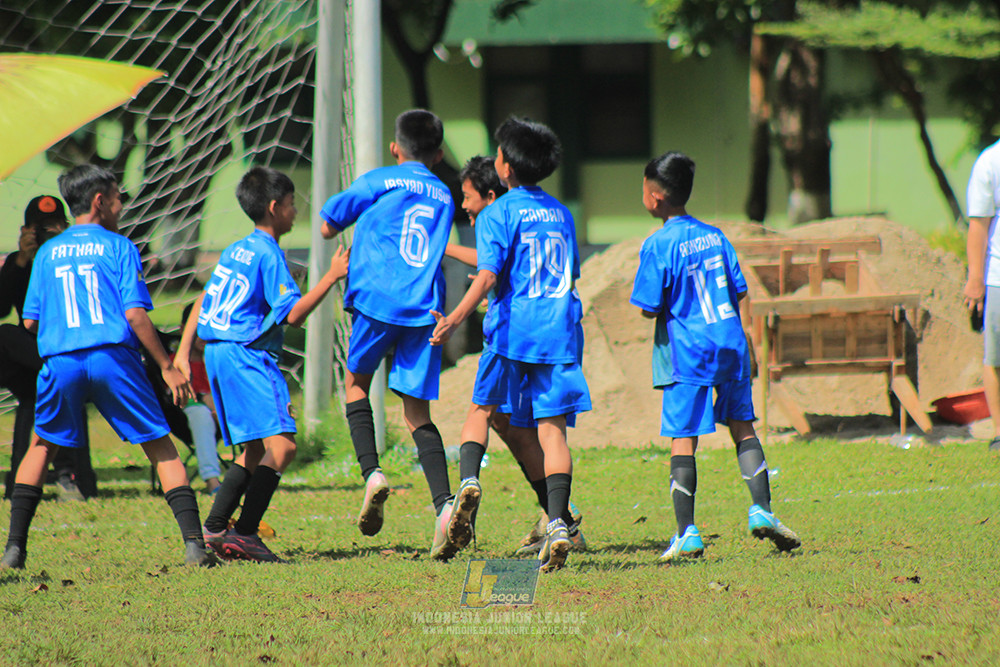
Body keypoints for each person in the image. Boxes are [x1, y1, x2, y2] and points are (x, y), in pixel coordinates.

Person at [1, 164, 216, 570]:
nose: (121, 206)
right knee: (160, 445)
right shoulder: (118, 246)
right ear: (100, 201)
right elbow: (135, 315)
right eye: (118, 198)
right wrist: (167, 365)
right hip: (111, 357)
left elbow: (29, 321)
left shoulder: (47, 252)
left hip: (60, 361)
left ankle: (13, 550)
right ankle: (194, 547)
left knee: (41, 446)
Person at [431, 117, 592, 571]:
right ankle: (559, 523)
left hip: (512, 330)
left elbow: (488, 274)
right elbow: (568, 273)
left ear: (505, 166)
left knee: (480, 410)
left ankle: (467, 482)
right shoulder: (562, 212)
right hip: (559, 332)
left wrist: (454, 318)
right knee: (552, 430)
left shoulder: (499, 212)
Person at [628, 151, 800, 561]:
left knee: (683, 439)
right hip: (731, 345)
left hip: (689, 355)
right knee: (742, 426)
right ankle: (762, 510)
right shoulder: (716, 236)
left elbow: (648, 306)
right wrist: (749, 342)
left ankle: (686, 532)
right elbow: (741, 291)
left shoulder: (658, 244)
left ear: (654, 197)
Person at [175, 166, 349, 563]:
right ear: (274, 207)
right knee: (283, 446)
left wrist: (185, 351)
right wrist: (331, 277)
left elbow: (204, 299)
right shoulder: (269, 253)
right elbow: (293, 316)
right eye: (291, 205)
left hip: (216, 352)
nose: (294, 212)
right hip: (245, 355)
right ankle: (246, 533)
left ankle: (216, 528)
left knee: (252, 449)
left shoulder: (237, 249)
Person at [318, 109, 455, 556]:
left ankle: (372, 473)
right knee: (418, 413)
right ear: (437, 155)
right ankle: (444, 508)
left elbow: (326, 225)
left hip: (376, 302)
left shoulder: (379, 179)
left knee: (356, 385)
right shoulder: (444, 194)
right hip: (422, 308)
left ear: (396, 148)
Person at [1, 195, 95, 501]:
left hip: (68, 344)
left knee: (39, 392)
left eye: (53, 228)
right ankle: (60, 474)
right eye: (40, 229)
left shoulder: (74, 258)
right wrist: (21, 261)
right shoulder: (20, 262)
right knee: (7, 334)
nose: (46, 235)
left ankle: (60, 474)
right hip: (33, 350)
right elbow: (3, 308)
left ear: (67, 227)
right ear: (26, 231)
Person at [964, 138, 1000, 451]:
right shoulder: (991, 161)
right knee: (996, 358)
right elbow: (979, 225)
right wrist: (975, 279)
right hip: (999, 277)